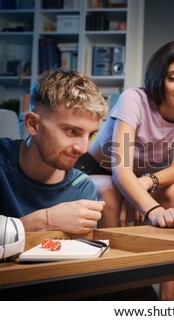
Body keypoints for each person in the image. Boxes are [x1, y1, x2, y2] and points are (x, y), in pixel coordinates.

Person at [74, 41, 174, 300]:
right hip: (97, 168)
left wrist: (148, 182)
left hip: (136, 175)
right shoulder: (133, 99)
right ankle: (113, 284)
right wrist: (153, 210)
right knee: (110, 191)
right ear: (160, 78)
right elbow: (120, 169)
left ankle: (167, 298)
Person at [0, 68, 107, 234]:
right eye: (71, 131)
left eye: (91, 134)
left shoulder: (83, 189)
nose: (83, 149)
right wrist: (47, 220)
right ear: (33, 124)